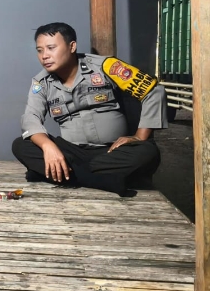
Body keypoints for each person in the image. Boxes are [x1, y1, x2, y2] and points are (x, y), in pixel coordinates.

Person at [12, 23, 166, 197]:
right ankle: (104, 181)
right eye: (39, 50)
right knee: (20, 145)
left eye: (51, 48)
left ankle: (66, 175)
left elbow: (153, 90)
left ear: (72, 46)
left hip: (112, 151)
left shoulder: (106, 66)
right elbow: (31, 117)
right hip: (72, 152)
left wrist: (138, 136)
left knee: (147, 152)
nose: (44, 56)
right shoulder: (41, 83)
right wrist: (48, 147)